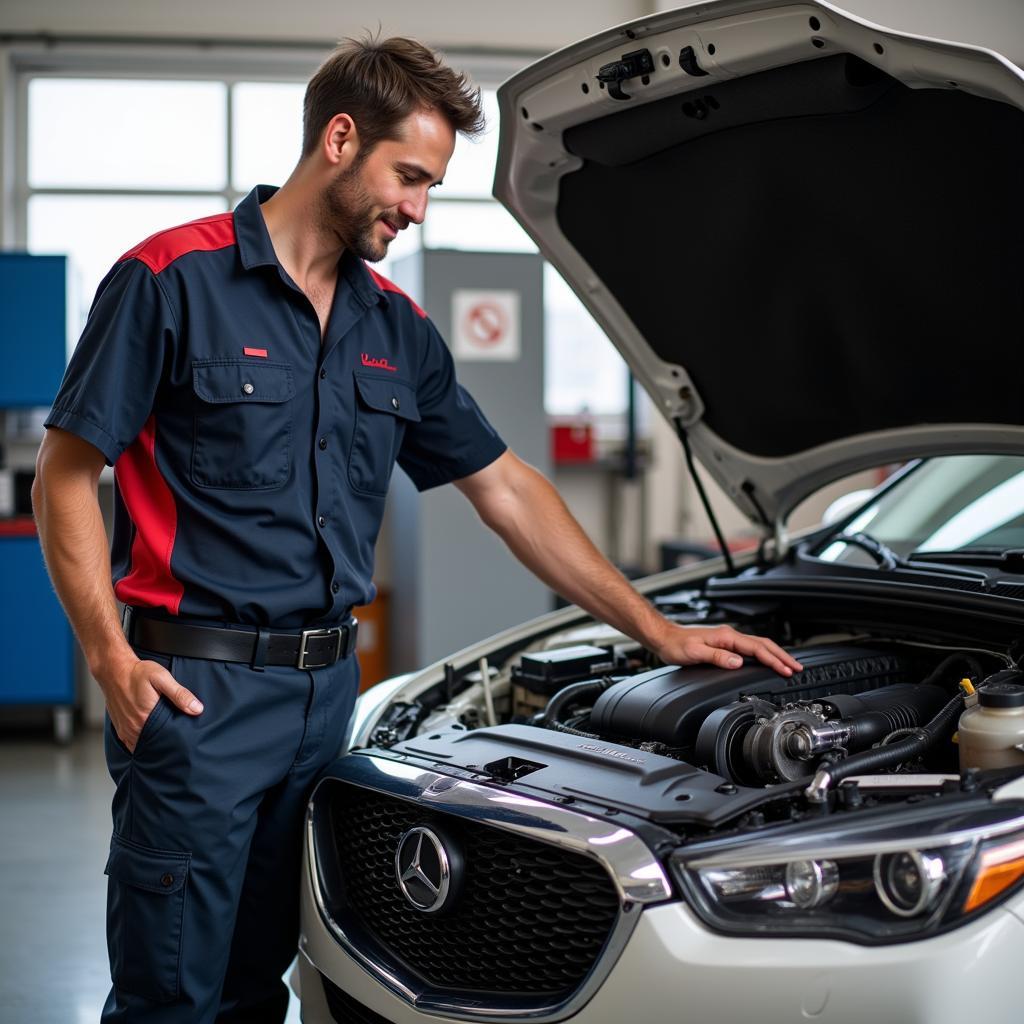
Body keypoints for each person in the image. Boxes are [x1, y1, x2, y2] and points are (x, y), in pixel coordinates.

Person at [31, 35, 802, 1024]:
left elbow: (508, 488)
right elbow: (67, 473)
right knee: (168, 994)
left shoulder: (394, 328)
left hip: (325, 701)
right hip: (196, 697)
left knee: (261, 985)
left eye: (432, 185)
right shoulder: (169, 281)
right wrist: (106, 655)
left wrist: (654, 628)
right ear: (339, 140)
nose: (417, 208)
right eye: (409, 176)